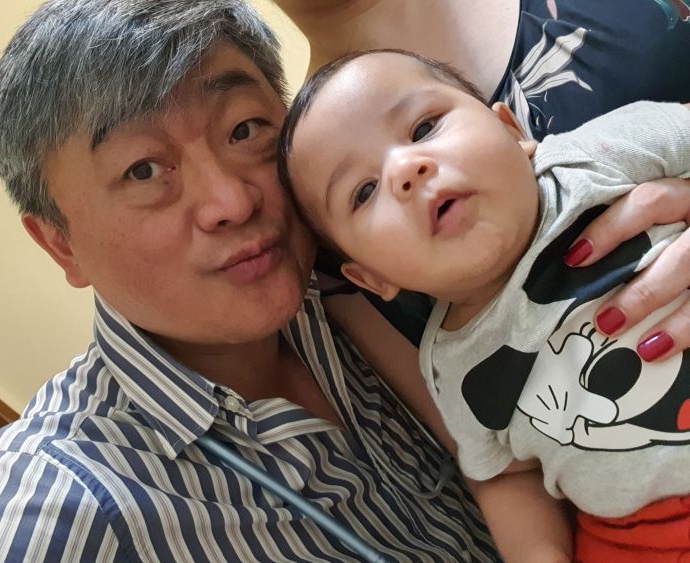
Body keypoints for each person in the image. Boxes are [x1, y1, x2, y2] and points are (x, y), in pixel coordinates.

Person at [0, 0, 688, 561]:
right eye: (143, 171)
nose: (233, 202)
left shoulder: (374, 292)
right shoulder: (55, 502)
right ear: (60, 244)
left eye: (244, 130)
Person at [278, 48, 690, 562]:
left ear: (511, 130)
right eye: (363, 192)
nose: (405, 169)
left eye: (424, 127)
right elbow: (504, 476)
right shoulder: (450, 366)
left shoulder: (598, 155)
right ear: (371, 277)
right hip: (641, 533)